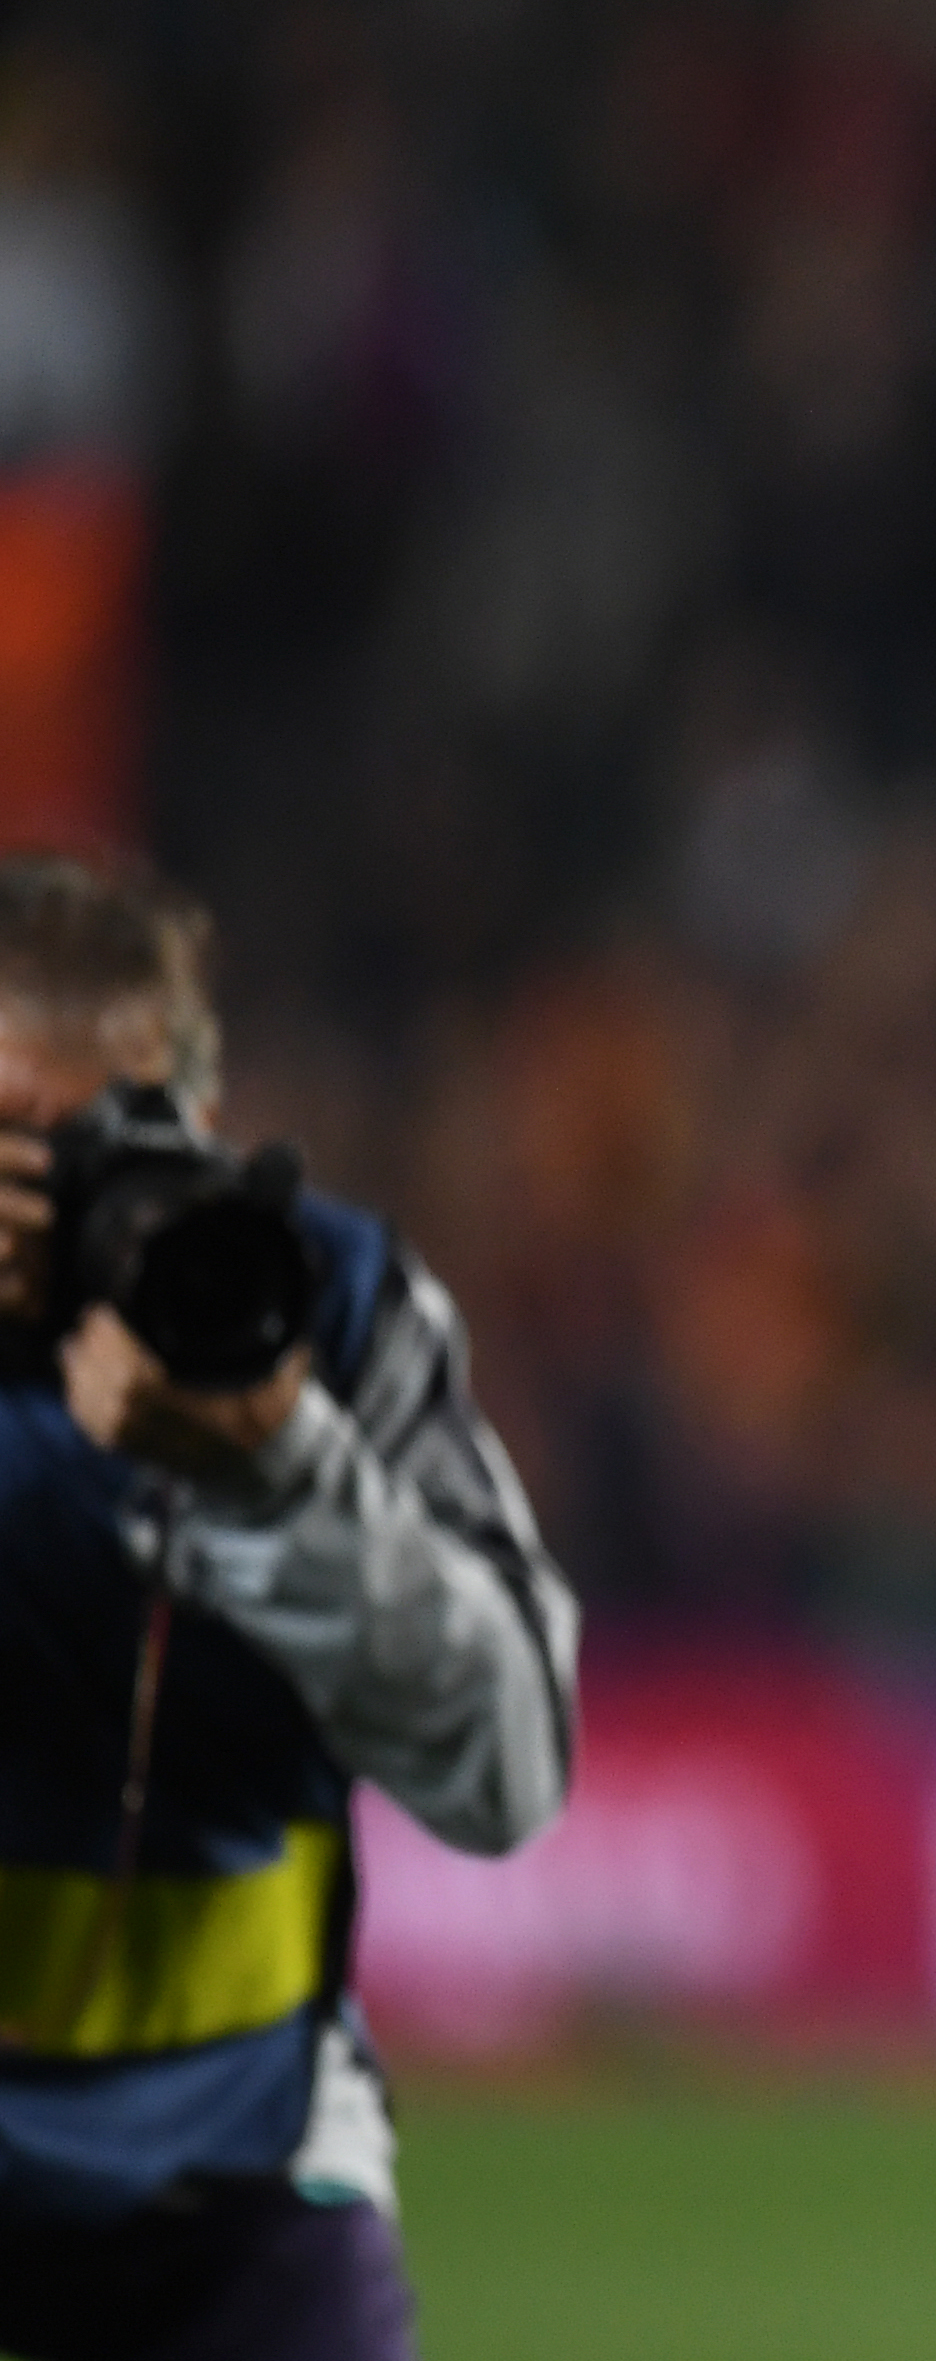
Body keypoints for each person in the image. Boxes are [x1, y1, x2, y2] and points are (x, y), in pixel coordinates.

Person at [0, 853, 578, 2361]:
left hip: (236, 2154)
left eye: (104, 1148)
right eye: (9, 1147)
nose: (64, 1208)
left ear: (197, 1131)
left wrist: (282, 1475)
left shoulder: (317, 1309)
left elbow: (510, 1769)